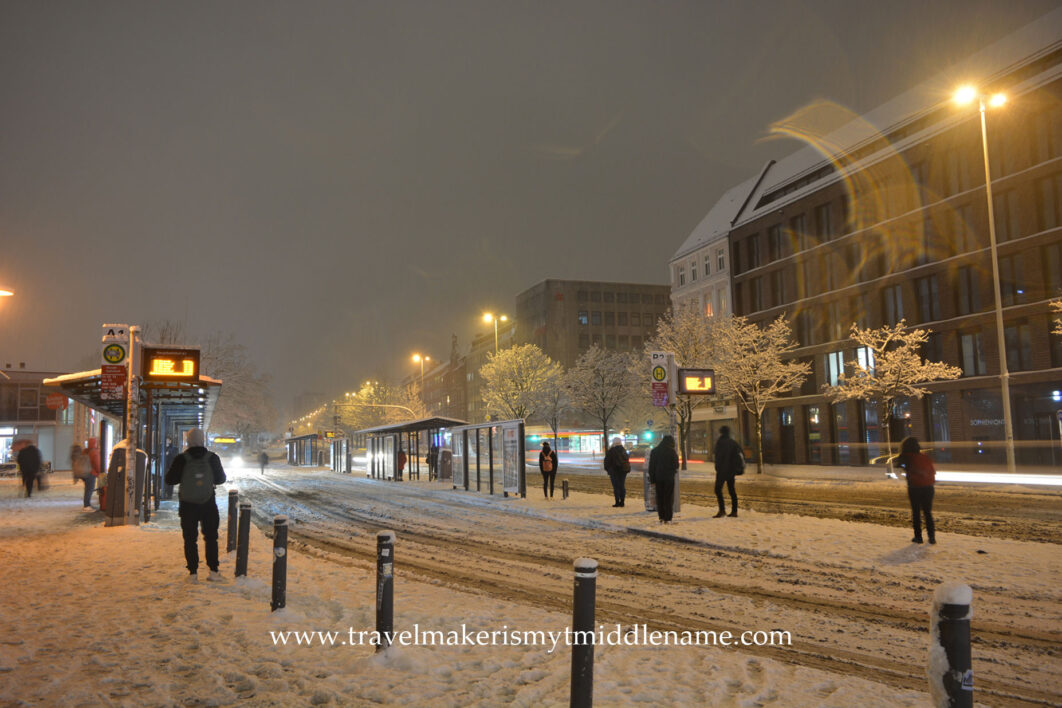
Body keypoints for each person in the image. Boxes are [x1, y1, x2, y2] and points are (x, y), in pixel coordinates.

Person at [164, 428, 227, 582]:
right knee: (211, 538)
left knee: (190, 539)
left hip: (187, 505)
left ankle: (193, 573)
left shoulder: (181, 459)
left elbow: (170, 480)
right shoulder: (213, 458)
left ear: (188, 441)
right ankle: (213, 571)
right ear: (203, 440)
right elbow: (221, 480)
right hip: (208, 504)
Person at [897, 436, 936, 544]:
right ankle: (931, 537)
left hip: (915, 487)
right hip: (929, 487)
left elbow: (899, 464)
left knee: (916, 513)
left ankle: (918, 537)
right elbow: (932, 471)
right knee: (928, 513)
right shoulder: (924, 456)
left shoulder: (906, 456)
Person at [712, 426, 742, 518]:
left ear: (721, 433)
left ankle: (722, 510)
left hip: (722, 470)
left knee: (718, 490)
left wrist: (717, 467)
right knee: (732, 490)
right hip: (731, 471)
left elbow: (717, 456)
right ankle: (734, 511)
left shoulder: (720, 443)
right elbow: (739, 454)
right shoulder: (733, 443)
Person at [648, 435, 679, 523]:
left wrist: (652, 480)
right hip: (669, 478)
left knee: (660, 497)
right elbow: (676, 465)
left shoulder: (654, 451)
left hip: (658, 478)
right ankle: (668, 518)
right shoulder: (672, 451)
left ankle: (661, 516)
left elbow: (651, 467)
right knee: (668, 498)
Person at [603, 437, 630, 507]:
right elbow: (627, 459)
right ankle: (622, 501)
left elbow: (607, 461)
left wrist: (608, 469)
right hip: (623, 471)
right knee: (622, 485)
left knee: (616, 486)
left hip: (614, 471)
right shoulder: (624, 450)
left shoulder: (611, 451)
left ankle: (617, 502)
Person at [71, 443, 95, 510]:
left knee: (88, 489)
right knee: (89, 489)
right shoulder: (83, 456)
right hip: (86, 473)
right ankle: (87, 505)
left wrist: (75, 477)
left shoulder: (74, 457)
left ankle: (87, 504)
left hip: (81, 474)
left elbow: (74, 468)